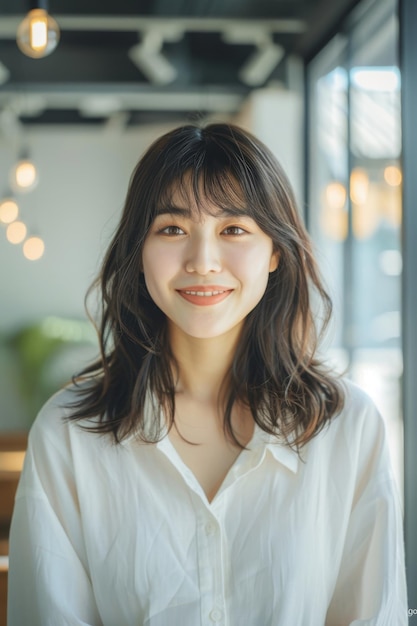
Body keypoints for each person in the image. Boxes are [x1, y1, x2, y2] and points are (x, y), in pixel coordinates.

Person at [8, 123, 407, 625]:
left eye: (233, 230)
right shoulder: (68, 435)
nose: (202, 261)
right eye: (172, 229)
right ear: (139, 251)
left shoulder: (347, 427)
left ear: (275, 251)